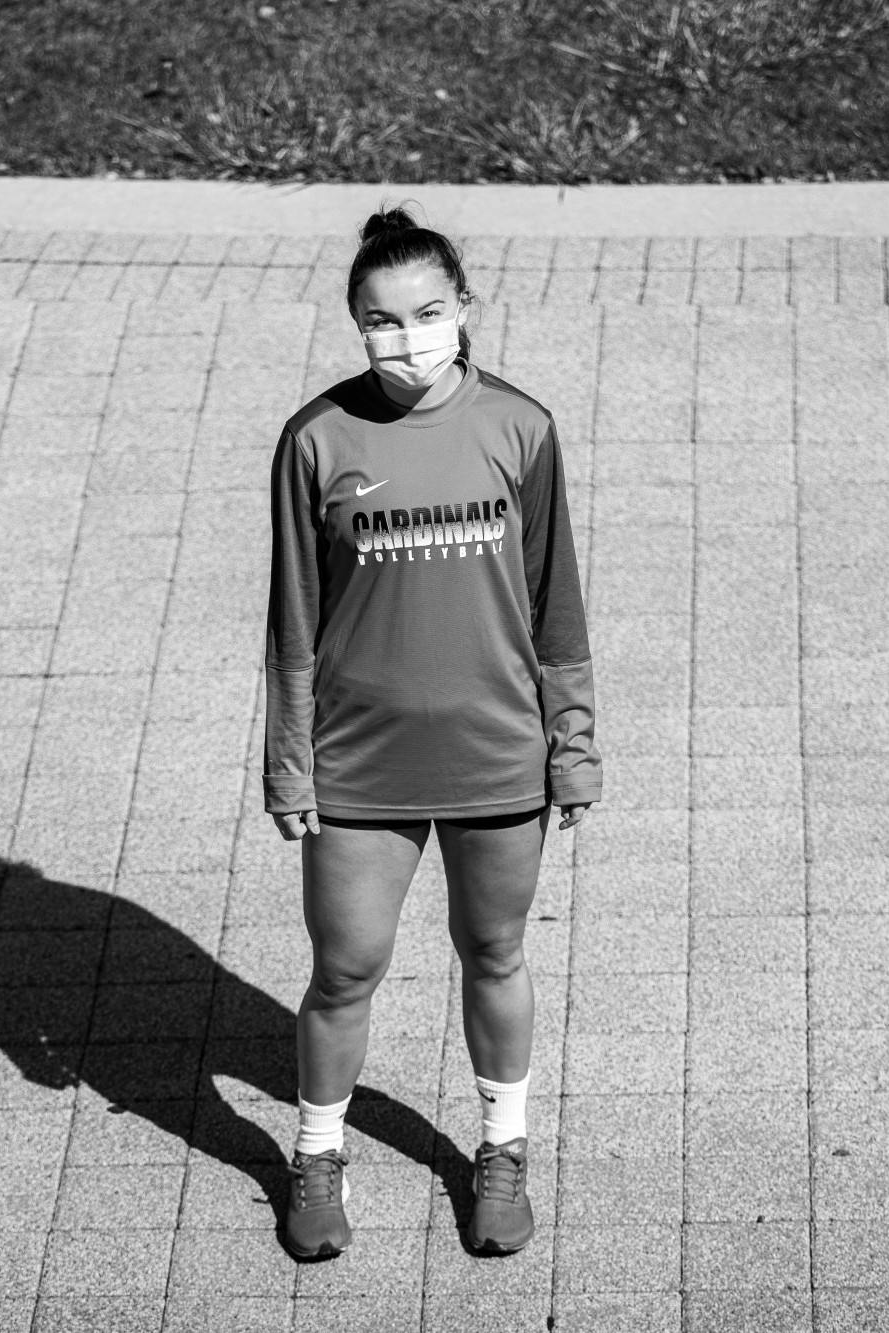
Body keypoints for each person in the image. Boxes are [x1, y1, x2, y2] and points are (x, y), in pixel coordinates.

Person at [263, 206, 602, 1261]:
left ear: (463, 308)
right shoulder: (316, 439)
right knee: (344, 968)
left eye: (425, 314)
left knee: (493, 951)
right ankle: (317, 1155)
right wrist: (289, 762)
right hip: (358, 761)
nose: (405, 339)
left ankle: (501, 1149)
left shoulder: (520, 428)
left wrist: (573, 743)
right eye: (381, 320)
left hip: (498, 752)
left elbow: (555, 604)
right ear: (355, 324)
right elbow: (292, 623)